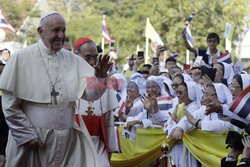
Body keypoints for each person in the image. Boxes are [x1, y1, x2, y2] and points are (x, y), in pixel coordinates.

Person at [0, 11, 112, 167]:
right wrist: (26, 135)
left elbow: (90, 95)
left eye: (63, 30)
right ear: (40, 32)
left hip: (68, 141)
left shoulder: (73, 60)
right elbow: (9, 105)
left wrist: (99, 77)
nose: (61, 35)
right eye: (55, 30)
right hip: (34, 139)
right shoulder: (21, 58)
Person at [73, 37, 119, 167]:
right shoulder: (69, 77)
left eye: (95, 57)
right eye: (88, 57)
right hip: (74, 142)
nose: (93, 62)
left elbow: (108, 118)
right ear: (76, 55)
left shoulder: (105, 79)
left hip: (97, 144)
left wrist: (110, 145)